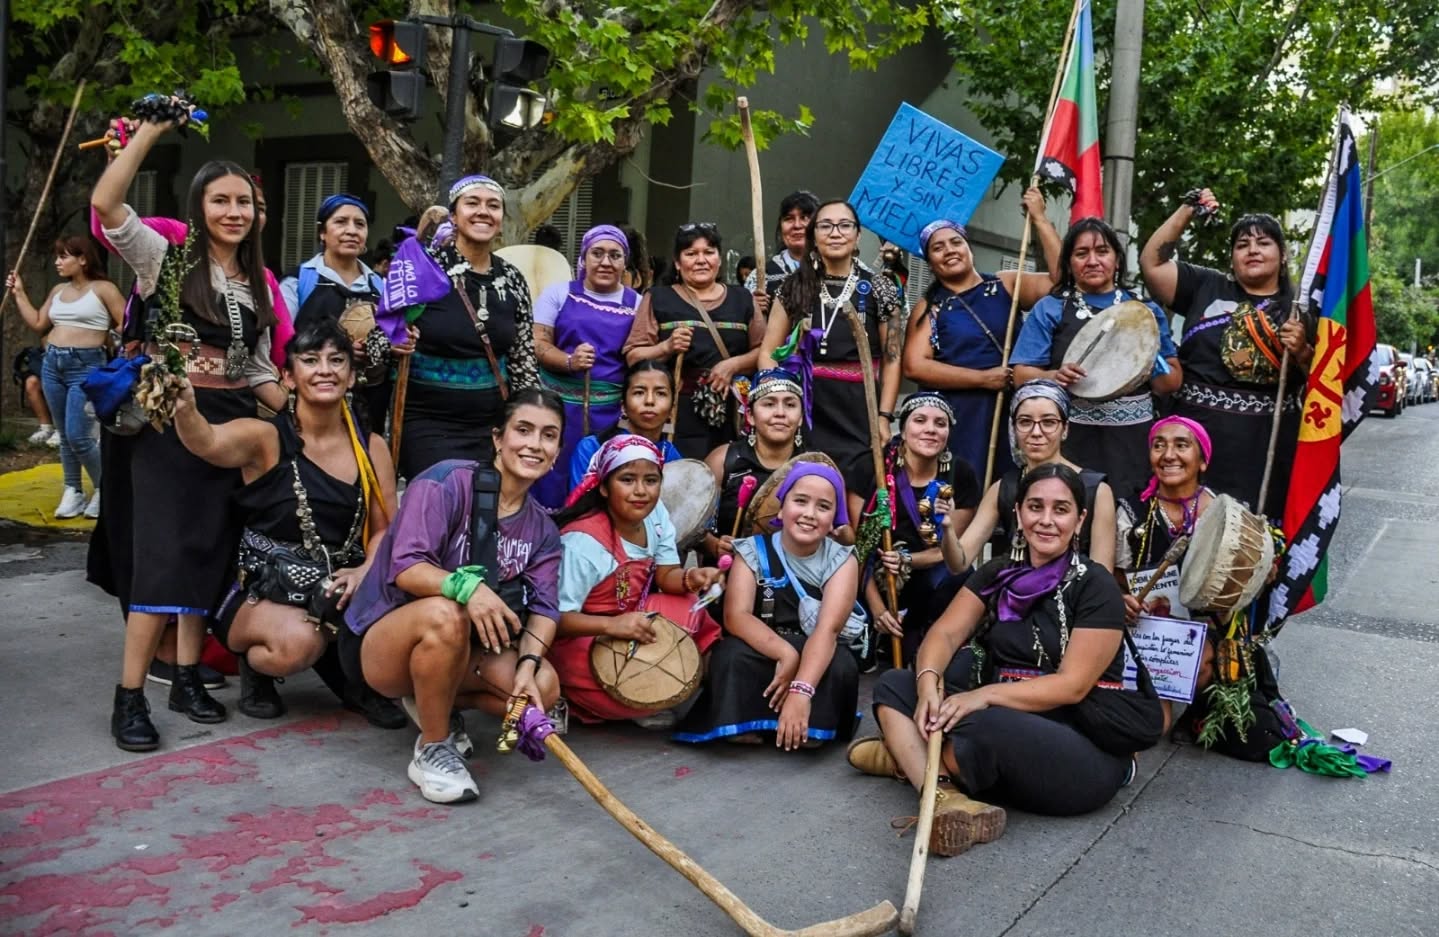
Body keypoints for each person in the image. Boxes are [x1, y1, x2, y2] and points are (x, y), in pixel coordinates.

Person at [91, 112, 289, 751]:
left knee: (208, 551)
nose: (235, 212)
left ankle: (184, 678)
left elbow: (256, 365)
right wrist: (148, 133)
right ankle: (129, 698)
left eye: (246, 203)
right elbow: (106, 203)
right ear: (199, 206)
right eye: (221, 200)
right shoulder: (165, 260)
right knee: (162, 557)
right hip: (168, 422)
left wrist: (298, 396)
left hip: (231, 425)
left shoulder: (258, 280)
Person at [849, 464, 1163, 856]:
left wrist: (982, 696)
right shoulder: (1000, 572)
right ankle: (947, 795)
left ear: (1080, 520)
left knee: (981, 723)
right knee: (897, 683)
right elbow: (945, 634)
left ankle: (908, 758)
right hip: (1004, 729)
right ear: (1017, 513)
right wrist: (929, 683)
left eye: (1061, 510)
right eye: (1035, 507)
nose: (1046, 520)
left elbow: (1073, 685)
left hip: (1080, 750)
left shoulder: (1095, 584)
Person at [172, 318, 402, 725]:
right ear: (289, 377)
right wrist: (185, 406)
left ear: (351, 376)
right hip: (265, 587)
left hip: (341, 585)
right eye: (310, 360)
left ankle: (349, 672)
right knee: (299, 643)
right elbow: (205, 441)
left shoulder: (373, 447)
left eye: (337, 360)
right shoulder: (266, 439)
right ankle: (258, 668)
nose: (325, 369)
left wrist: (364, 571)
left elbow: (387, 528)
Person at [341, 389, 567, 803]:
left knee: (544, 686)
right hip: (383, 640)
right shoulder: (446, 481)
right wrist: (468, 588)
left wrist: (527, 667)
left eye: (548, 435)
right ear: (498, 438)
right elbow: (406, 568)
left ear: (557, 451)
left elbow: (545, 609)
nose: (535, 444)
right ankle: (433, 746)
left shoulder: (543, 531)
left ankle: (433, 702)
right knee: (447, 614)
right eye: (523, 430)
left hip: (459, 646)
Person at [1140, 192, 1311, 517]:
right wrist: (1188, 207)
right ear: (1232, 256)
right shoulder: (1205, 285)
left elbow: (1323, 378)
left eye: (1263, 243)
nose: (1253, 250)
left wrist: (1302, 349)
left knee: (1251, 543)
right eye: (1243, 244)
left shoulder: (1300, 312)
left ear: (1283, 254)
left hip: (1266, 447)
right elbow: (1152, 264)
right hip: (1192, 441)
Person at [675, 463, 861, 747]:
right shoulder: (751, 550)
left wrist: (801, 690)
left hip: (815, 649)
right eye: (800, 501)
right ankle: (749, 722)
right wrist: (786, 654)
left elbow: (828, 630)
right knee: (730, 655)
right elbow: (736, 616)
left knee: (840, 665)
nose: (810, 514)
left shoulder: (842, 560)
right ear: (781, 507)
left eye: (823, 507)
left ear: (835, 517)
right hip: (765, 647)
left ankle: (804, 719)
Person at [549, 435, 725, 727]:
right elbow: (555, 620)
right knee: (617, 684)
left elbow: (666, 575)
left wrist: (691, 578)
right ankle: (574, 693)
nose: (641, 491)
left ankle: (702, 691)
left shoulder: (655, 515)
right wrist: (612, 625)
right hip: (583, 633)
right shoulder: (583, 543)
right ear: (604, 486)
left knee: (690, 606)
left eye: (651, 480)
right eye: (627, 480)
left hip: (632, 613)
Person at [1012, 217, 1182, 501]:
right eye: (1081, 253)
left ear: (1117, 260)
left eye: (1102, 251)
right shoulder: (1051, 308)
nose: (1092, 260)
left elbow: (1171, 381)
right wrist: (1055, 377)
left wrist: (1146, 365)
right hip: (1071, 438)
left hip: (1133, 440)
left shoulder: (1145, 310)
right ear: (1069, 263)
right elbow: (1020, 375)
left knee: (1129, 517)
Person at [901, 193, 1060, 483]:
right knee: (964, 485)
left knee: (1012, 482)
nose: (949, 250)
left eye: (956, 242)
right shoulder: (930, 307)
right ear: (930, 261)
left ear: (968, 246)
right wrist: (983, 379)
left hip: (1010, 406)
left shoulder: (1005, 284)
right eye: (938, 248)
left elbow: (1059, 281)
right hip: (961, 412)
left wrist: (1039, 219)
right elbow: (915, 366)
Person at [392, 175, 540, 479]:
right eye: (472, 203)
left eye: (493, 205)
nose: (483, 211)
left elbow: (523, 358)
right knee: (441, 506)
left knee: (485, 513)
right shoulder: (423, 268)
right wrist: (396, 339)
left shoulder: (512, 278)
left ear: (501, 219)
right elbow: (378, 340)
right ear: (454, 215)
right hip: (427, 424)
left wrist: (531, 417)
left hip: (493, 426)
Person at [759, 200, 905, 499]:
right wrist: (774, 402)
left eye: (844, 225)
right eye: (825, 225)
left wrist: (884, 417)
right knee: (805, 490)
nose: (835, 233)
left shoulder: (880, 288)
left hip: (859, 410)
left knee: (855, 501)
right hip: (807, 409)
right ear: (814, 236)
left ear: (857, 236)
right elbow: (768, 352)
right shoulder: (793, 287)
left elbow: (892, 359)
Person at [6, 236, 125, 518]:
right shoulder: (58, 290)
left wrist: (111, 342)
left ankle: (106, 488)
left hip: (86, 367)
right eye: (57, 256)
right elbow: (38, 323)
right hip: (52, 364)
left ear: (83, 259)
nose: (57, 262)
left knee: (78, 435)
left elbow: (126, 324)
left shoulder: (104, 289)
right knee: (64, 435)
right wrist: (19, 293)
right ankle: (73, 490)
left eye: (64, 256)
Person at [624, 223, 762, 459]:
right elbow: (633, 356)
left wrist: (732, 365)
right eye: (691, 254)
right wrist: (666, 347)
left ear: (719, 259)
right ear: (678, 262)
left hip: (734, 411)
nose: (701, 260)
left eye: (709, 252)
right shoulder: (658, 297)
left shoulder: (743, 299)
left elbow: (764, 351)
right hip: (678, 411)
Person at [532, 224, 642, 508]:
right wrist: (569, 361)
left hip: (610, 415)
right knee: (550, 476)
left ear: (624, 262)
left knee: (599, 482)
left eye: (615, 255)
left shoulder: (638, 304)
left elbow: (640, 353)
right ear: (583, 258)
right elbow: (538, 343)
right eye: (598, 253)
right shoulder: (558, 294)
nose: (606, 262)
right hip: (558, 408)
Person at [865, 393, 980, 662]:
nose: (930, 429)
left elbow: (950, 555)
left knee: (960, 577)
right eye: (920, 420)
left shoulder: (960, 474)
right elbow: (855, 551)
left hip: (930, 580)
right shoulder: (875, 469)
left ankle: (935, 640)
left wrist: (905, 560)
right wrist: (877, 607)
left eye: (940, 423)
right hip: (876, 576)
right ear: (903, 430)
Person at [954, 381, 1117, 572]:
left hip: (1075, 597)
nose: (1036, 432)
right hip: (1014, 596)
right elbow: (960, 562)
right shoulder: (1003, 487)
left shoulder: (1096, 490)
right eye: (1025, 422)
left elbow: (1102, 575)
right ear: (1013, 429)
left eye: (1048, 422)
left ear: (1065, 429)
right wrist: (947, 527)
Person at [279, 193, 398, 428]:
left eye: (360, 224)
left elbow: (393, 339)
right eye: (341, 222)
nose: (352, 230)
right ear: (322, 232)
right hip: (313, 397)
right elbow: (282, 344)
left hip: (370, 399)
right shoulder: (298, 281)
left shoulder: (381, 287)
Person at [702, 368, 805, 563]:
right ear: (749, 415)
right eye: (769, 404)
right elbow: (696, 530)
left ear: (800, 417)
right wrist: (714, 545)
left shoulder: (815, 467)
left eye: (790, 404)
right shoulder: (723, 461)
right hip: (729, 576)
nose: (780, 413)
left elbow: (845, 537)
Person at [568, 361, 683, 486]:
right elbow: (580, 503)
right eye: (639, 392)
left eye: (660, 393)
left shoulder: (672, 457)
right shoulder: (592, 449)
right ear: (623, 407)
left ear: (672, 409)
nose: (650, 401)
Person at [744, 190, 819, 316]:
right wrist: (752, 309)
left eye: (804, 218)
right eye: (789, 219)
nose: (797, 225)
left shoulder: (841, 268)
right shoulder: (761, 276)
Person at [12, 347, 59, 446]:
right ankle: (46, 428)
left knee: (60, 383)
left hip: (74, 359)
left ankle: (61, 430)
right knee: (32, 382)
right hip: (50, 355)